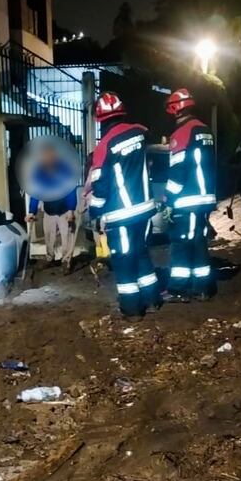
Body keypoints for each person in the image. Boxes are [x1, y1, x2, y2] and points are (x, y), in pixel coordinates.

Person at [87, 92, 160, 317]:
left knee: (123, 260)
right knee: (141, 254)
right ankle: (153, 299)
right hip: (144, 209)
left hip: (121, 215)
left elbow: (100, 186)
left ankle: (132, 309)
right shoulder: (139, 133)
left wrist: (94, 212)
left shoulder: (105, 146)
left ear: (100, 119)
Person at [163, 88, 218, 301]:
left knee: (182, 243)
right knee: (197, 241)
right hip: (204, 197)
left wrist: (168, 199)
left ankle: (180, 288)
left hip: (188, 200)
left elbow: (177, 172)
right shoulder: (205, 130)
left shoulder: (182, 134)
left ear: (176, 110)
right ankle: (202, 287)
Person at [25, 143, 78, 271]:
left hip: (64, 210)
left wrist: (71, 210)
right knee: (48, 235)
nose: (47, 158)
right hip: (49, 209)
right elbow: (36, 192)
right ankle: (50, 258)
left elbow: (70, 190)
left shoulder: (65, 169)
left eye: (50, 155)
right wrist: (32, 212)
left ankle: (66, 261)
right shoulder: (39, 171)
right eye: (45, 156)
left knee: (66, 236)